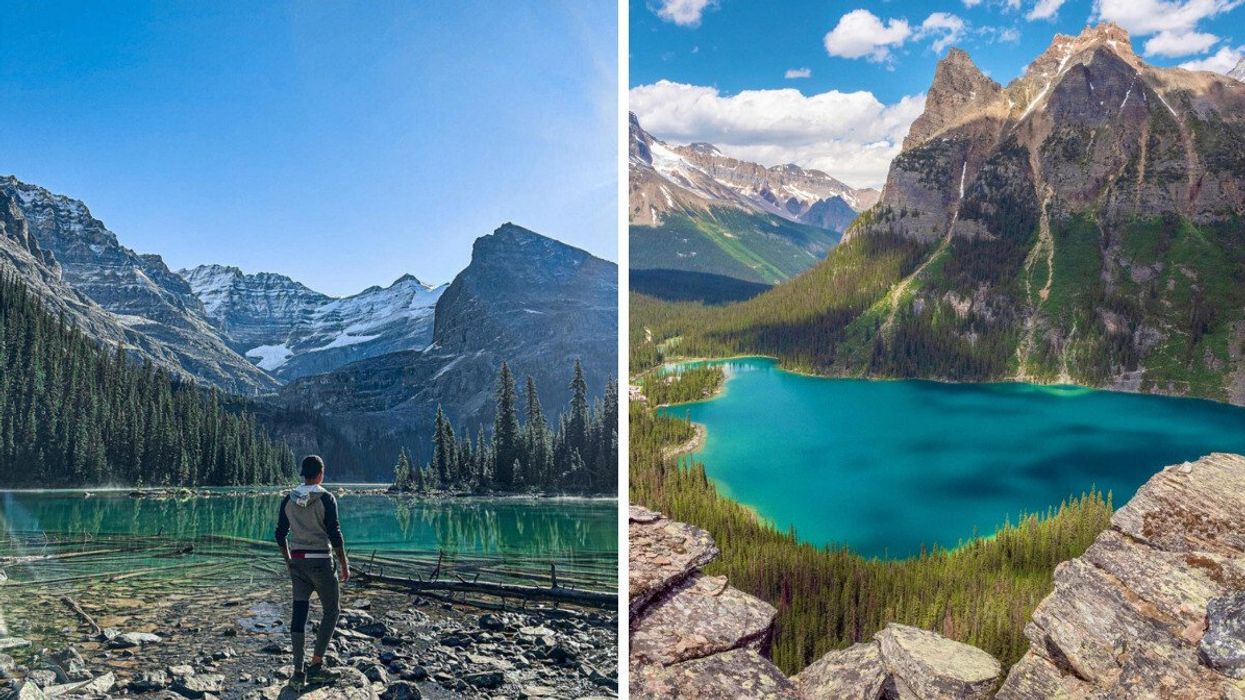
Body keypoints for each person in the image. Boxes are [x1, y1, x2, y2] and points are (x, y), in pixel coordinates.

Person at [275, 455, 349, 688]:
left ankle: (298, 672)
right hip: (321, 563)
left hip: (298, 563)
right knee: (331, 611)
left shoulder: (288, 499)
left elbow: (280, 534)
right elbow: (335, 534)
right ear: (320, 474)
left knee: (299, 613)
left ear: (303, 474)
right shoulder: (326, 498)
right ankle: (316, 666)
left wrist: (288, 560)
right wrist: (344, 564)